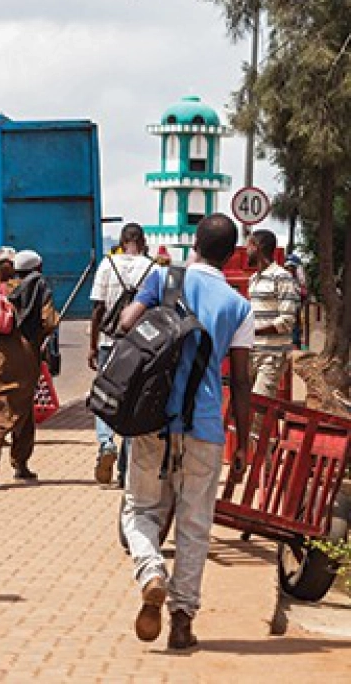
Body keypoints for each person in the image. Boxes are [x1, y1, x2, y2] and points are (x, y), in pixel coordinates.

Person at [119, 213, 254, 650]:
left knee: (140, 510)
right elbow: (242, 381)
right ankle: (181, 622)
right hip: (206, 426)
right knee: (195, 525)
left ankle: (151, 571)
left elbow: (126, 323)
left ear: (194, 242)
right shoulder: (239, 307)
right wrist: (245, 442)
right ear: (230, 254)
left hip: (152, 417)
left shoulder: (164, 278)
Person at [0, 249, 59, 489]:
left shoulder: (1, 289)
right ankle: (20, 464)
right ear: (37, 268)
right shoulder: (40, 288)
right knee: (23, 408)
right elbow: (49, 321)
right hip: (27, 354)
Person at [88, 223, 153, 486]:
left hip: (108, 342)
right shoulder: (152, 268)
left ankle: (106, 443)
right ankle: (125, 470)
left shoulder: (107, 265)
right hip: (137, 345)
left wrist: (92, 345)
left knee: (103, 396)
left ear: (122, 241)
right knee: (131, 401)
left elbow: (97, 309)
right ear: (142, 241)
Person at [246, 230, 299, 396]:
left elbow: (287, 320)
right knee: (244, 405)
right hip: (251, 353)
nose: (246, 251)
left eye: (249, 246)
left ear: (258, 247)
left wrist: (253, 331)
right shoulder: (253, 279)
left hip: (272, 356)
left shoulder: (282, 277)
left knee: (259, 405)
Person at [284, 253, 307, 349]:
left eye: (291, 267)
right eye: (288, 267)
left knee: (295, 327)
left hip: (295, 305)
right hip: (289, 306)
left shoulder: (297, 278)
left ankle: (295, 345)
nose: (289, 268)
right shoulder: (285, 277)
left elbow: (303, 291)